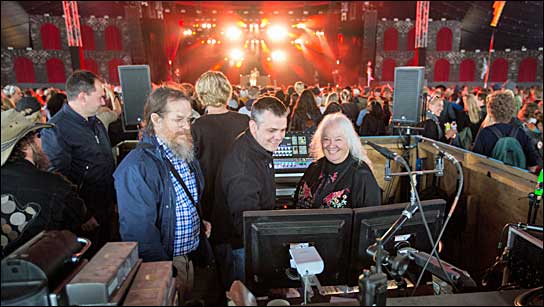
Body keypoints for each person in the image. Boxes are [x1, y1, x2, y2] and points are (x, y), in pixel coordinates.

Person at [113, 87, 210, 302]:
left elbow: (179, 200)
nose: (187, 126)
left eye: (189, 119)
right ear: (156, 119)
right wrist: (162, 274)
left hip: (185, 259)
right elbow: (139, 232)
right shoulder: (136, 167)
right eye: (178, 120)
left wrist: (196, 220)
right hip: (165, 265)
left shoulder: (182, 151)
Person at [40, 70, 117, 255]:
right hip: (85, 215)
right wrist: (82, 213)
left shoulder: (95, 122)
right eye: (99, 96)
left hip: (105, 206)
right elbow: (58, 178)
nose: (103, 101)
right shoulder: (57, 129)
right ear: (83, 97)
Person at [215, 96, 288, 283]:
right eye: (272, 130)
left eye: (283, 130)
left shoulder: (257, 145)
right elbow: (247, 224)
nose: (279, 137)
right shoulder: (244, 167)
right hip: (240, 248)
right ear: (253, 127)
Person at [192, 71, 250, 291]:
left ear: (202, 95)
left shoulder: (197, 127)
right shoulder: (245, 121)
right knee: (242, 280)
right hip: (242, 204)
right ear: (227, 92)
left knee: (217, 278)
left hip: (210, 209)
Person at [1, 109, 87, 257]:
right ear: (28, 144)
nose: (41, 142)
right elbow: (79, 217)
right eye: (38, 136)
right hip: (42, 272)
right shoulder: (54, 185)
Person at [294, 113, 381, 209]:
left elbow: (367, 220)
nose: (331, 145)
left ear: (349, 141)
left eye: (338, 139)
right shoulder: (313, 168)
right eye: (326, 139)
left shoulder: (362, 175)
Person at [473, 91, 538, 172]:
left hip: (492, 180)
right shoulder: (521, 133)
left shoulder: (485, 133)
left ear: (491, 110)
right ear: (512, 110)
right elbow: (533, 165)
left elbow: (475, 161)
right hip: (516, 181)